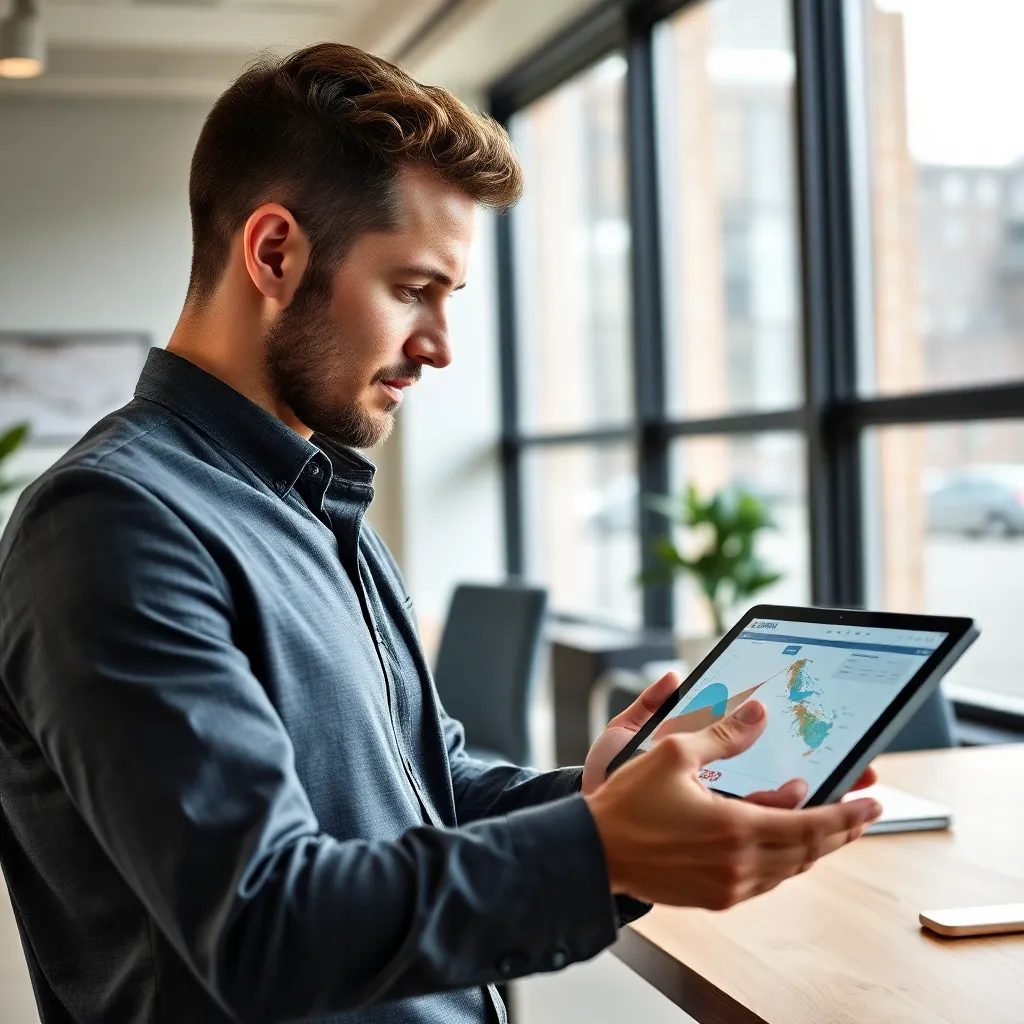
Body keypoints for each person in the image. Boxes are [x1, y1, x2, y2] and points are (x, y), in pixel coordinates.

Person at [0, 43, 881, 1024]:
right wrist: (605, 850)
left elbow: (423, 789)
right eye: (412, 288)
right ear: (275, 253)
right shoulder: (112, 525)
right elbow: (259, 926)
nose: (440, 347)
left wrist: (602, 800)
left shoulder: (317, 505)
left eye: (448, 298)